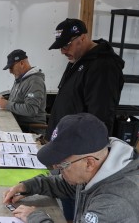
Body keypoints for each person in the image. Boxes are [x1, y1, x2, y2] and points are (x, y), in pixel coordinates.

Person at [3, 113, 139, 223]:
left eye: (63, 165)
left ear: (89, 163)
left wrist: (35, 217)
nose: (58, 170)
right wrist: (27, 186)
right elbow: (64, 185)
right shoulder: (100, 169)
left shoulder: (114, 203)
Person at [46, 18, 125, 222]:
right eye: (60, 47)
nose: (63, 51)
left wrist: (82, 160)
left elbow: (100, 119)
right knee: (65, 198)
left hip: (79, 157)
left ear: (82, 37)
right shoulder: (78, 59)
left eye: (66, 45)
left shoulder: (103, 67)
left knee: (73, 201)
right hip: (66, 149)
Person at [0, 49, 47, 135]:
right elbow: (20, 99)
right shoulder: (21, 79)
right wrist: (5, 100)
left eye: (11, 67)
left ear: (22, 63)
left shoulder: (35, 82)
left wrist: (7, 104)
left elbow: (31, 110)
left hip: (30, 130)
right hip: (17, 124)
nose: (10, 71)